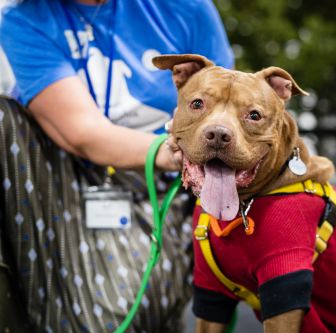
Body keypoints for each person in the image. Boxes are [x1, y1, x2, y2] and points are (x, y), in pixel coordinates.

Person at [0, 0, 233, 332]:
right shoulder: (24, 19)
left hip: (164, 185)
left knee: (129, 310)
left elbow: (228, 99)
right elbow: (83, 133)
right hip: (63, 179)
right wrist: (168, 151)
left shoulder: (186, 7)